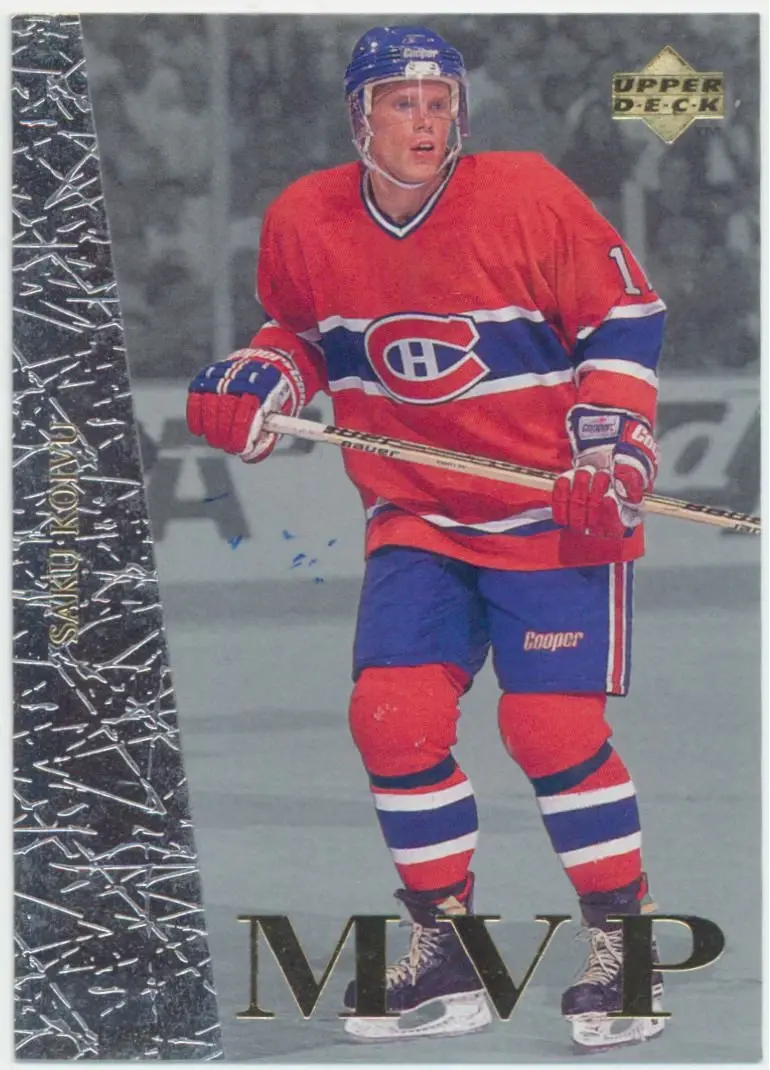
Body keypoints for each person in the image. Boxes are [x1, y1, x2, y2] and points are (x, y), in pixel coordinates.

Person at [186, 25, 666, 1050]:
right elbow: (300, 335)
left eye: (440, 103)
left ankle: (622, 949)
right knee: (391, 718)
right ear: (358, 116)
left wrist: (612, 446)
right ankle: (446, 954)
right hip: (416, 515)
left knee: (550, 730)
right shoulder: (304, 217)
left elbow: (623, 319)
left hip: (548, 510)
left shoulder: (525, 193)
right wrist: (263, 379)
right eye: (402, 103)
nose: (426, 122)